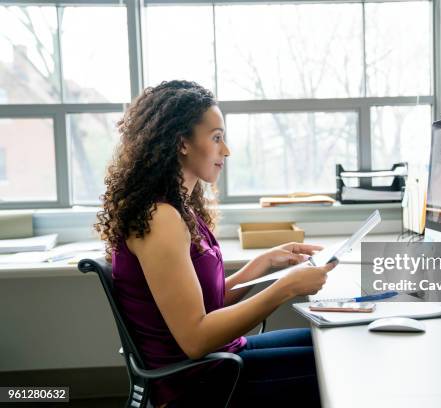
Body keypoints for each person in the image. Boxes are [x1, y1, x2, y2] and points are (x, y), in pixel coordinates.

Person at [94, 80, 338, 408]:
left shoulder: (178, 210)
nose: (226, 150)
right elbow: (196, 339)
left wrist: (262, 265)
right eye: (217, 137)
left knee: (330, 341)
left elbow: (203, 303)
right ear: (182, 143)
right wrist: (287, 288)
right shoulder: (161, 219)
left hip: (220, 361)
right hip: (198, 385)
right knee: (337, 365)